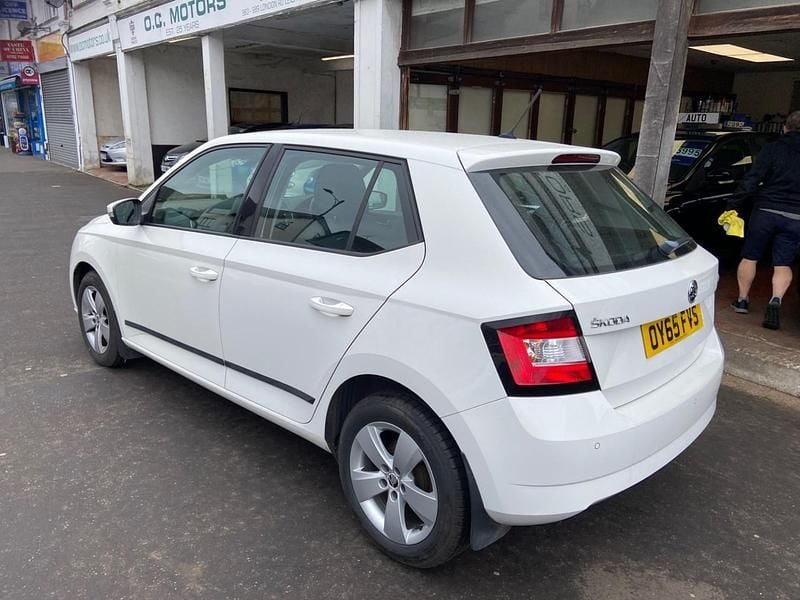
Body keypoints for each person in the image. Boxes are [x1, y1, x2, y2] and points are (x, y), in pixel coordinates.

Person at [728, 110, 800, 330]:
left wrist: (734, 204)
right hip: (795, 216)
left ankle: (742, 300)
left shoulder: (772, 149)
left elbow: (752, 179)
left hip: (765, 211)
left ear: (784, 127)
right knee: (783, 263)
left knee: (750, 256)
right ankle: (775, 300)